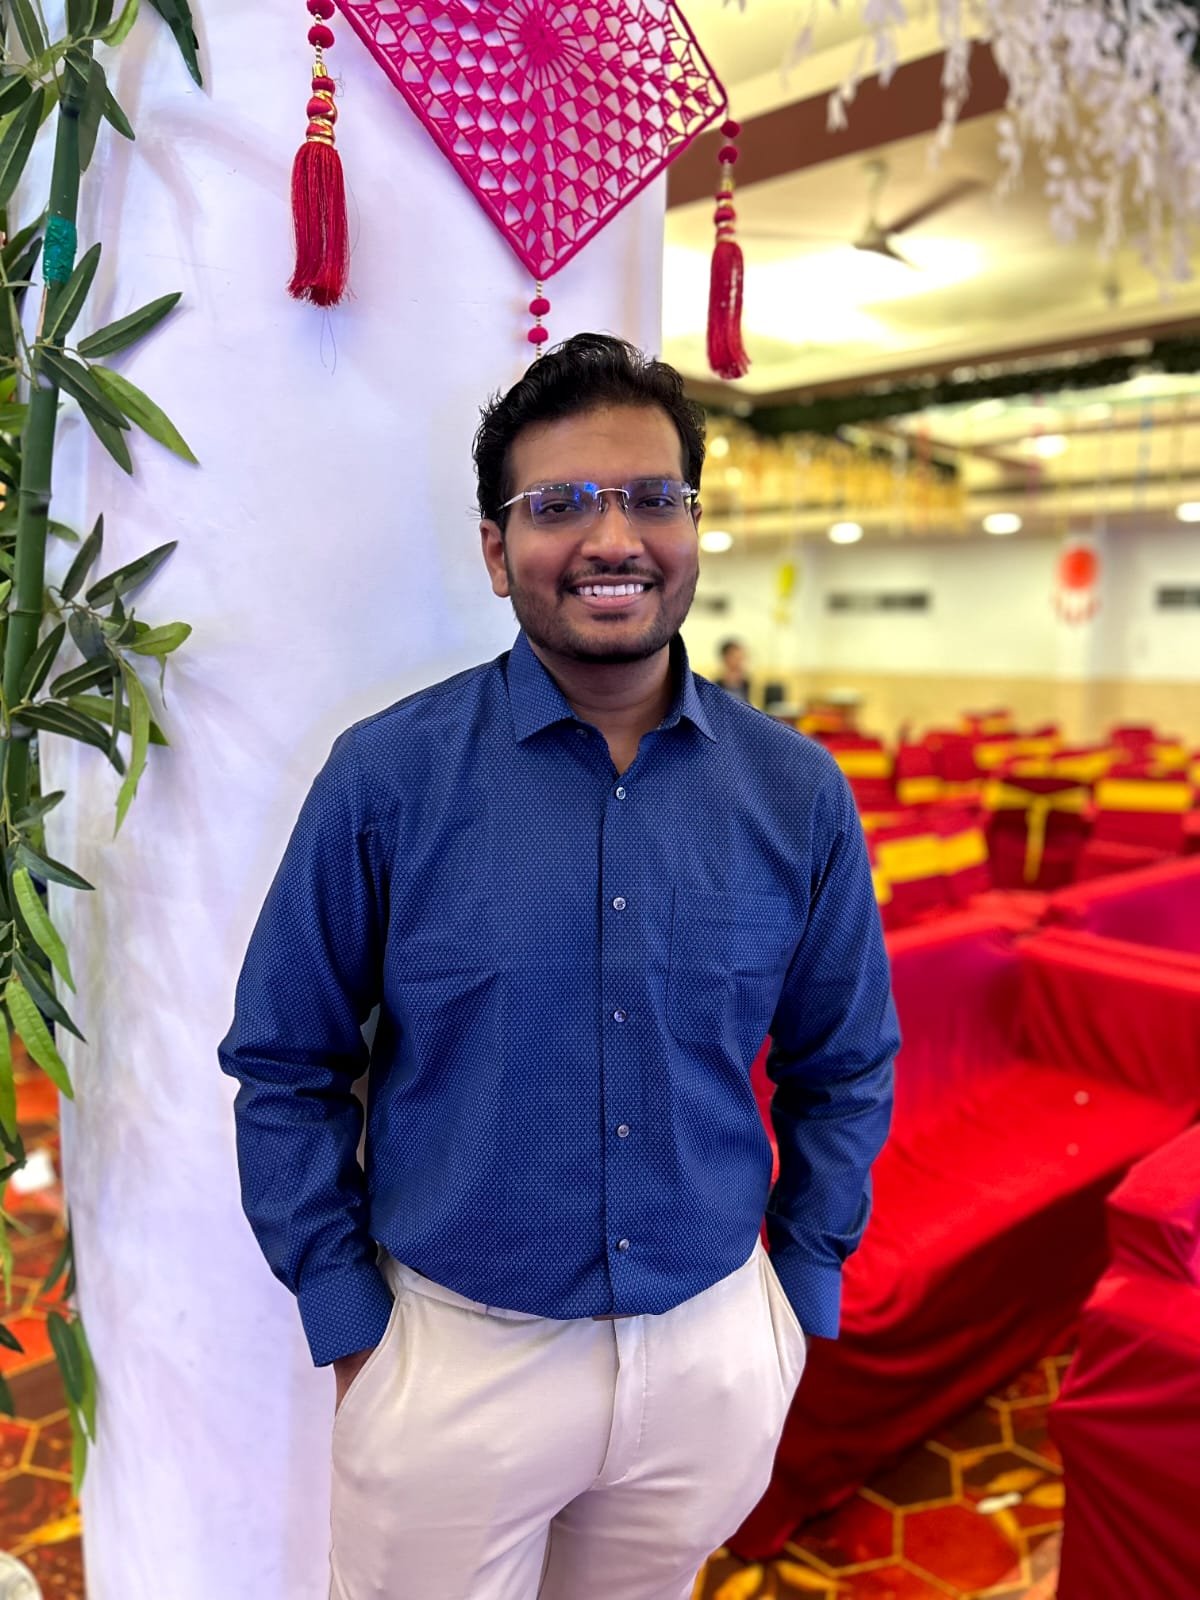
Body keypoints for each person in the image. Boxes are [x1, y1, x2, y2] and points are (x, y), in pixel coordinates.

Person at [218, 333, 898, 1600]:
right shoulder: (388, 779)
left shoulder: (796, 792)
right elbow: (284, 1060)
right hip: (456, 1361)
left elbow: (845, 1061)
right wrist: (349, 1320)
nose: (612, 537)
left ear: (694, 527)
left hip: (710, 1349)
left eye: (652, 496)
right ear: (496, 550)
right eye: (561, 503)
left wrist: (799, 1291)